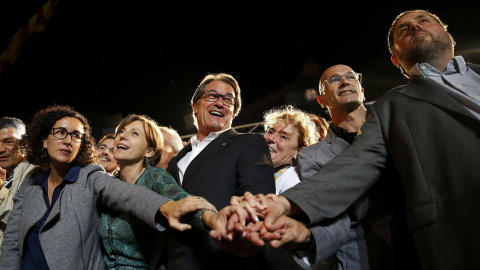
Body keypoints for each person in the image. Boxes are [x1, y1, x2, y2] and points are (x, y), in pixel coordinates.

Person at [257, 10, 480, 269]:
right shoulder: (391, 109)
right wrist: (293, 215)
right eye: (404, 29)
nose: (415, 28)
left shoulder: (390, 109)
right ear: (395, 59)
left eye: (423, 20)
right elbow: (348, 186)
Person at [0, 105, 213, 270]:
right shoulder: (30, 182)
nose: (68, 140)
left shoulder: (90, 176)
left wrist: (167, 208)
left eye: (76, 136)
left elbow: (129, 195)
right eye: (60, 132)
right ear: (44, 140)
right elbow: (11, 244)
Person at [159, 73, 275, 270]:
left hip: (222, 260)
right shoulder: (177, 159)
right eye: (212, 96)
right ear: (195, 106)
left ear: (233, 112)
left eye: (228, 100)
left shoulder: (249, 143)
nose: (220, 103)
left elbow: (256, 200)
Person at [99, 114, 215, 269]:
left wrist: (213, 218)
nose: (122, 137)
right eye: (121, 132)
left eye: (134, 133)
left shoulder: (154, 177)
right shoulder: (107, 185)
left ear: (149, 151)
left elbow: (180, 199)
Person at [263, 105, 319, 195]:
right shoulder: (249, 170)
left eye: (283, 137)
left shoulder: (292, 178)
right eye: (271, 132)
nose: (271, 138)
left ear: (299, 151)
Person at [0, 117, 36, 252]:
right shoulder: (4, 174)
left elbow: (24, 222)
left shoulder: (38, 173)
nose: (0, 149)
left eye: (8, 142)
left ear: (25, 143)